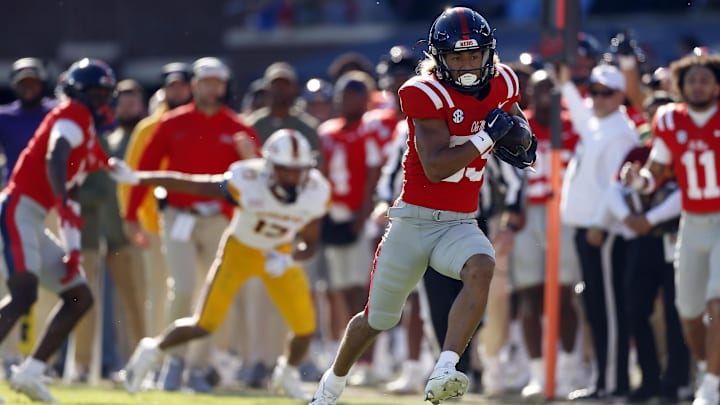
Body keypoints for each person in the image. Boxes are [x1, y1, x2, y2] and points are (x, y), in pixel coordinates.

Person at [309, 7, 536, 405]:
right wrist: (487, 137)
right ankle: (331, 385)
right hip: (413, 222)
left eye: (473, 55)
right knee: (377, 319)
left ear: (488, 53)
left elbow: (518, 130)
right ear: (439, 59)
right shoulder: (422, 92)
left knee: (481, 267)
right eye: (456, 57)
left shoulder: (504, 81)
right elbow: (435, 167)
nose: (467, 65)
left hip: (461, 221)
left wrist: (520, 138)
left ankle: (446, 368)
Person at [118, 129, 330, 401]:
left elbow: (311, 244)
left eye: (297, 171)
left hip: (278, 252)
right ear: (269, 167)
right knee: (204, 324)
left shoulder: (316, 190)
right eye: (285, 170)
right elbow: (192, 184)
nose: (293, 177)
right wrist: (139, 178)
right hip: (239, 251)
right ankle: (152, 351)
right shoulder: (247, 180)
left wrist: (289, 258)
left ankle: (286, 373)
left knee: (305, 329)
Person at [123, 57, 259, 392]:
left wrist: (250, 157)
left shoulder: (237, 127)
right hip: (178, 216)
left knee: (211, 295)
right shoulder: (171, 123)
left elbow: (259, 177)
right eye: (207, 82)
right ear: (195, 85)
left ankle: (199, 366)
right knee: (182, 287)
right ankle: (173, 360)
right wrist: (130, 217)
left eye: (218, 82)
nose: (213, 88)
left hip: (218, 219)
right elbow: (145, 170)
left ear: (225, 86)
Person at [0, 58, 116, 402]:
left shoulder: (88, 131)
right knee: (24, 293)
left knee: (80, 297)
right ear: (78, 93)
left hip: (34, 216)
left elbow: (74, 192)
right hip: (18, 207)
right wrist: (63, 202)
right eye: (93, 93)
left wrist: (74, 247)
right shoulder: (72, 115)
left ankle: (30, 373)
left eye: (103, 93)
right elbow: (56, 155)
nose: (100, 100)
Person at [622, 53, 720, 405]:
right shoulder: (668, 119)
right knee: (688, 313)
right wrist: (640, 181)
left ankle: (710, 387)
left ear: (716, 85)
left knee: (717, 301)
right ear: (680, 86)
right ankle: (709, 371)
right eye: (691, 80)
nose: (698, 86)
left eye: (705, 80)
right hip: (691, 223)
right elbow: (656, 171)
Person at [559, 63, 640, 400]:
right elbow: (581, 117)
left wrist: (600, 225)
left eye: (605, 92)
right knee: (596, 309)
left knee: (608, 310)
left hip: (603, 233)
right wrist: (565, 85)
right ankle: (603, 382)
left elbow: (616, 187)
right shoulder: (598, 122)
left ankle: (613, 385)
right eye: (593, 91)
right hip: (588, 230)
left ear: (621, 95)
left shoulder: (620, 131)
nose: (596, 98)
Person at [513, 69, 581, 398]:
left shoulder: (571, 124)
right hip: (528, 214)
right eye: (539, 89)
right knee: (531, 293)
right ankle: (537, 372)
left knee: (565, 294)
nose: (544, 96)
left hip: (564, 213)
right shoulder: (518, 124)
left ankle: (569, 368)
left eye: (550, 89)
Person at [119, 62, 193, 340]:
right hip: (153, 221)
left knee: (191, 289)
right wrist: (132, 219)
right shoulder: (147, 128)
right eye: (172, 86)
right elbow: (132, 175)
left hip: (191, 219)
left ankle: (184, 354)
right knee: (159, 290)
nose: (177, 91)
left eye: (182, 85)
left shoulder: (196, 122)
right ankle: (155, 353)